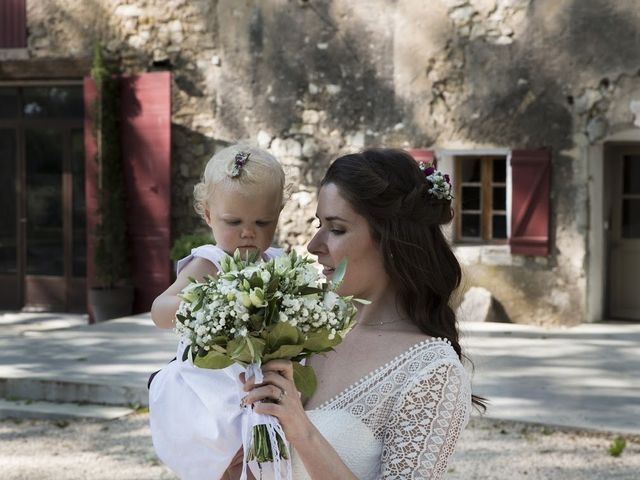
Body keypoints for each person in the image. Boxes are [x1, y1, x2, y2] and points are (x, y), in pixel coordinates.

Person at [240, 148, 483, 479]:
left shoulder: (432, 371)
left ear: (390, 239)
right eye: (318, 224)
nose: (313, 245)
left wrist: (302, 430)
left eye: (336, 229)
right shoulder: (299, 330)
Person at [148, 143, 287, 479]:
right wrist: (212, 300)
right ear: (208, 215)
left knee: (266, 462)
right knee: (226, 461)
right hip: (211, 386)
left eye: (262, 221)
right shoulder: (211, 262)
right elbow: (160, 310)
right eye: (233, 221)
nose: (248, 232)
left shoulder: (280, 262)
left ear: (279, 214)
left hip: (260, 380)